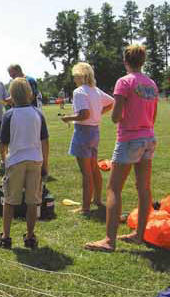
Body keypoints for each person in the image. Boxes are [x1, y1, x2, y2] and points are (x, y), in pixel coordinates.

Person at [85, 45, 159, 252]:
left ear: (125, 61)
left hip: (129, 140)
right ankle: (139, 235)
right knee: (143, 188)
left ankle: (109, 240)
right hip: (149, 138)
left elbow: (116, 116)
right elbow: (153, 117)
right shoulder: (152, 84)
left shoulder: (124, 82)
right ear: (142, 61)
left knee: (114, 189)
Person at [0, 77, 49, 249]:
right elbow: (45, 141)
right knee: (32, 201)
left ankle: (6, 237)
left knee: (10, 200)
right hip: (35, 160)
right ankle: (30, 237)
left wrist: (4, 160)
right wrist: (45, 164)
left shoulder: (9, 115)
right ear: (29, 94)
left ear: (12, 95)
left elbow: (2, 142)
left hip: (16, 161)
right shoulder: (38, 113)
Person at [61, 62, 114, 215]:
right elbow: (111, 102)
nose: (74, 79)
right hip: (94, 132)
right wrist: (98, 113)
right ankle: (97, 199)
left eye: (75, 76)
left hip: (83, 133)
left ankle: (85, 208)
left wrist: (68, 118)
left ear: (80, 76)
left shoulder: (79, 92)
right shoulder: (95, 90)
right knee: (94, 169)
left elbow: (84, 114)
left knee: (86, 172)